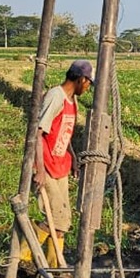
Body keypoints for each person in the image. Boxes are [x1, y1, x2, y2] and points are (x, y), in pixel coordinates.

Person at [32, 59, 93, 264]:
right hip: (47, 165)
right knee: (55, 219)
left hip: (61, 166)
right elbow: (38, 133)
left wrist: (73, 158)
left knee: (62, 222)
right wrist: (39, 169)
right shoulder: (55, 96)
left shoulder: (72, 101)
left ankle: (54, 267)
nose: (88, 87)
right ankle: (20, 256)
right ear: (81, 79)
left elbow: (64, 134)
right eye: (88, 83)